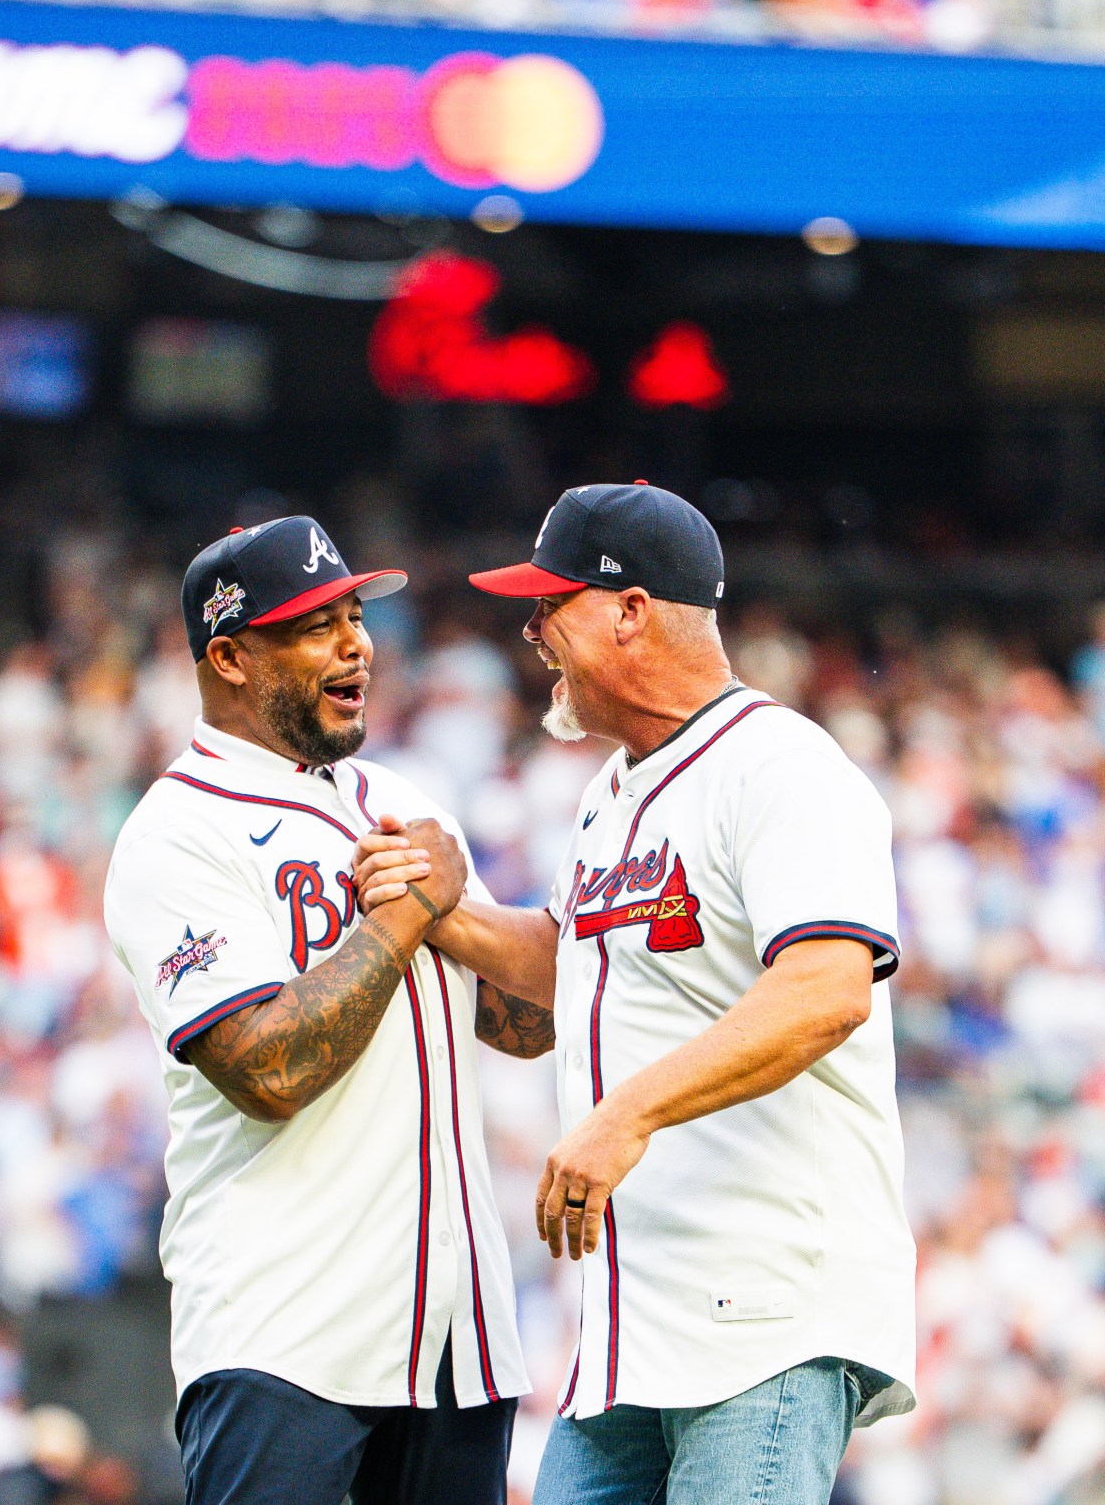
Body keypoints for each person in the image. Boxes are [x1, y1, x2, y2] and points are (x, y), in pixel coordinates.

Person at [358, 482, 912, 1504]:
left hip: (767, 1305)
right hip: (628, 1329)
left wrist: (630, 1111)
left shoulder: (780, 766)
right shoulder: (609, 795)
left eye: (549, 604)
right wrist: (449, 909)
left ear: (629, 610)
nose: (531, 631)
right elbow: (566, 967)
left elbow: (828, 989)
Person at [99, 516, 555, 1505]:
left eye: (355, 615)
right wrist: (402, 923)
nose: (357, 643)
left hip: (455, 1335)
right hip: (285, 1330)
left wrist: (460, 913)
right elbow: (266, 1071)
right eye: (314, 625)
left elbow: (532, 1025)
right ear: (229, 656)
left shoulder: (402, 799)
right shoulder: (178, 832)